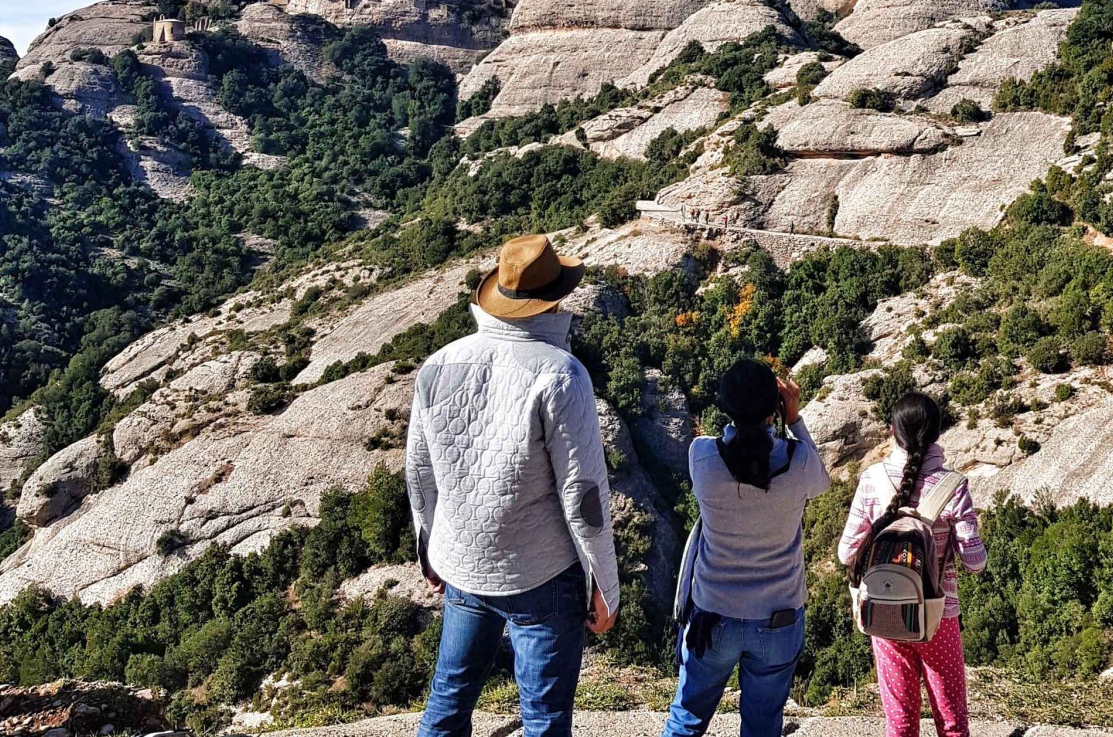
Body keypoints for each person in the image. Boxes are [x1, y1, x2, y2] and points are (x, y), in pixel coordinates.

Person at [407, 234, 620, 737]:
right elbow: (584, 496)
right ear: (556, 299)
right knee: (544, 718)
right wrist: (605, 586)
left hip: (463, 563)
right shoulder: (562, 375)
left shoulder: (438, 364)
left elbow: (419, 472)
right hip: (542, 573)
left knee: (448, 698)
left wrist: (428, 547)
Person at [662, 359, 832, 737]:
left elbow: (738, 453)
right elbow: (821, 482)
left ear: (725, 405)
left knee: (685, 718)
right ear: (776, 406)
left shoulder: (702, 456)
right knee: (762, 725)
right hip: (778, 620)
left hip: (712, 617)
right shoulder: (799, 462)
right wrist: (794, 419)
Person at [839, 392, 986, 737]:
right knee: (951, 721)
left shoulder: (872, 480)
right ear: (938, 432)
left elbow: (846, 553)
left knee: (900, 722)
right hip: (939, 616)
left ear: (892, 431)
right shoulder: (953, 486)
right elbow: (975, 563)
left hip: (885, 612)